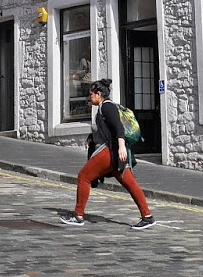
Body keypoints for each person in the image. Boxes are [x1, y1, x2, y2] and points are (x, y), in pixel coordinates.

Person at [60, 79, 153, 229]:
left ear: (99, 94)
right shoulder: (103, 108)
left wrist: (121, 147)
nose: (89, 97)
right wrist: (92, 137)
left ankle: (78, 216)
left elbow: (118, 128)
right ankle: (147, 216)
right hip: (114, 155)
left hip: (109, 153)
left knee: (84, 177)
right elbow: (106, 130)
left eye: (91, 94)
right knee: (131, 185)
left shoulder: (107, 107)